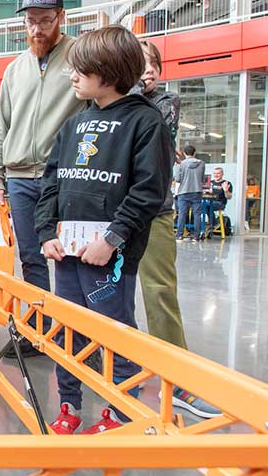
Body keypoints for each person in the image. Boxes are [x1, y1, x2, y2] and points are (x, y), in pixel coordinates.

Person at [34, 25, 171, 434]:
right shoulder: (74, 124)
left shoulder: (145, 122)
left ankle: (119, 412)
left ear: (107, 72)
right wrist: (45, 233)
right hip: (69, 252)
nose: (72, 76)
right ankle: (69, 406)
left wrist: (112, 239)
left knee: (114, 334)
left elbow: (150, 190)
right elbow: (52, 182)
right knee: (68, 333)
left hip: (109, 256)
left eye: (80, 69)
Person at [0, 0, 87, 358]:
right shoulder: (14, 70)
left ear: (62, 17)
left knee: (69, 257)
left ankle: (76, 335)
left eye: (45, 21)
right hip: (19, 179)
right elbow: (2, 126)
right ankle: (39, 331)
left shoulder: (81, 55)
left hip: (63, 177)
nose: (37, 30)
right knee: (31, 257)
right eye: (30, 22)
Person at [134, 41, 220, 419]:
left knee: (159, 293)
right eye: (137, 64)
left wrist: (133, 89)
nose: (146, 71)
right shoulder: (99, 105)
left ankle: (178, 381)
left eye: (151, 64)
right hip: (107, 216)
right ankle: (118, 368)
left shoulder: (166, 103)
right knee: (106, 298)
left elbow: (153, 136)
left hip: (153, 212)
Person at [174, 145, 205, 241]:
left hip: (183, 192)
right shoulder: (202, 163)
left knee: (182, 214)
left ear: (184, 153)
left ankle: (179, 235)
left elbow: (177, 179)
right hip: (197, 191)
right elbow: (202, 179)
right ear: (194, 153)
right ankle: (196, 236)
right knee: (197, 214)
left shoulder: (181, 164)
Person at [206, 166, 233, 234]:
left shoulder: (226, 183)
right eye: (215, 173)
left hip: (220, 203)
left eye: (218, 173)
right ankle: (213, 223)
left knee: (208, 205)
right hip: (209, 202)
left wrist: (226, 191)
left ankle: (212, 224)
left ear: (222, 174)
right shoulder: (210, 183)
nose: (216, 175)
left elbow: (229, 197)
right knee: (201, 205)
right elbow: (205, 193)